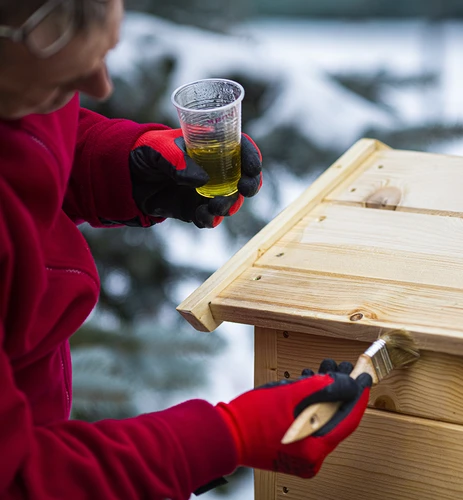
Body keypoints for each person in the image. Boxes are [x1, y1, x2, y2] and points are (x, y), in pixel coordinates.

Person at [0, 0, 373, 498]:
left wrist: (119, 167)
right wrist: (226, 438)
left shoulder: (17, 81)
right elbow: (19, 479)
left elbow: (24, 133)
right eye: (64, 80)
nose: (100, 87)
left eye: (107, 50)